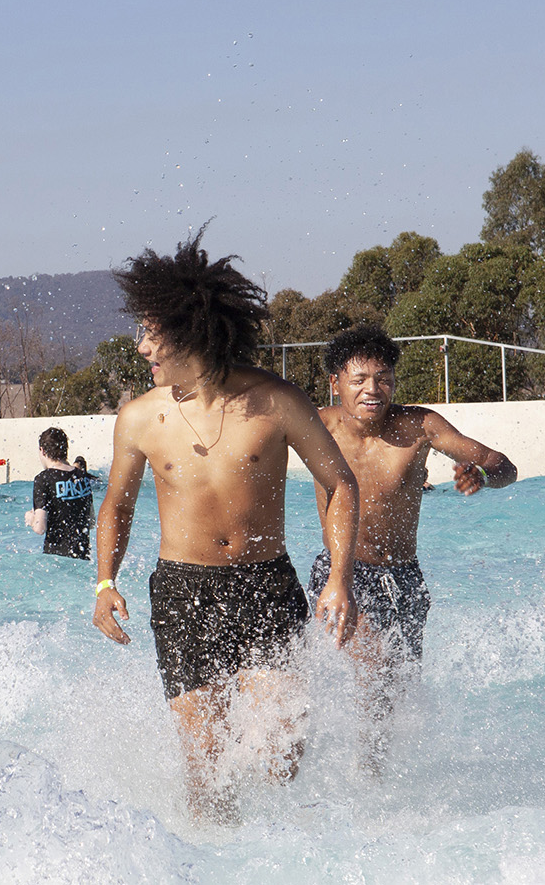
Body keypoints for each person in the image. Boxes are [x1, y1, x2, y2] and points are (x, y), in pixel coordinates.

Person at [92, 230, 359, 822]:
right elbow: (116, 504)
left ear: (191, 331)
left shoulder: (277, 402)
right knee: (208, 765)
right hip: (184, 592)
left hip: (266, 584)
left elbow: (341, 483)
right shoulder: (140, 417)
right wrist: (104, 583)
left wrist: (338, 576)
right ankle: (212, 860)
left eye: (150, 334)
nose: (141, 349)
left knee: (282, 751)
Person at [316, 325, 516, 772]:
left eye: (384, 378)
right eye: (359, 380)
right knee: (372, 671)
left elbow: (505, 468)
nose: (374, 390)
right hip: (343, 572)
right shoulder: (318, 426)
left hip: (404, 577)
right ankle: (358, 776)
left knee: (398, 689)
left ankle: (379, 777)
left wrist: (481, 478)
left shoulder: (419, 426)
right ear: (336, 383)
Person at [25, 427, 95, 560]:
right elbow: (91, 521)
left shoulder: (43, 479)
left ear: (42, 450)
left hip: (57, 558)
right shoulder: (82, 476)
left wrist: (31, 518)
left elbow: (40, 528)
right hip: (83, 555)